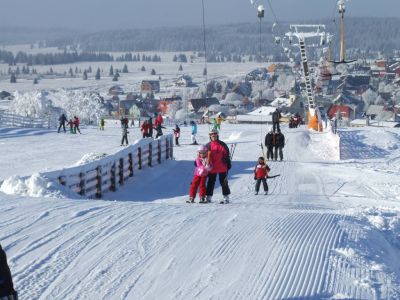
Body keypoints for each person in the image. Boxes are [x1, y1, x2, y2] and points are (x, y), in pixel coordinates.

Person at [206, 129, 231, 204]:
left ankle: (226, 197)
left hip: (222, 166)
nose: (213, 135)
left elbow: (227, 155)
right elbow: (203, 155)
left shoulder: (222, 144)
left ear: (217, 135)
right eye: (212, 134)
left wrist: (228, 163)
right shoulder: (208, 145)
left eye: (215, 134)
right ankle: (208, 197)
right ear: (210, 136)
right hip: (212, 167)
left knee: (224, 182)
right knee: (211, 182)